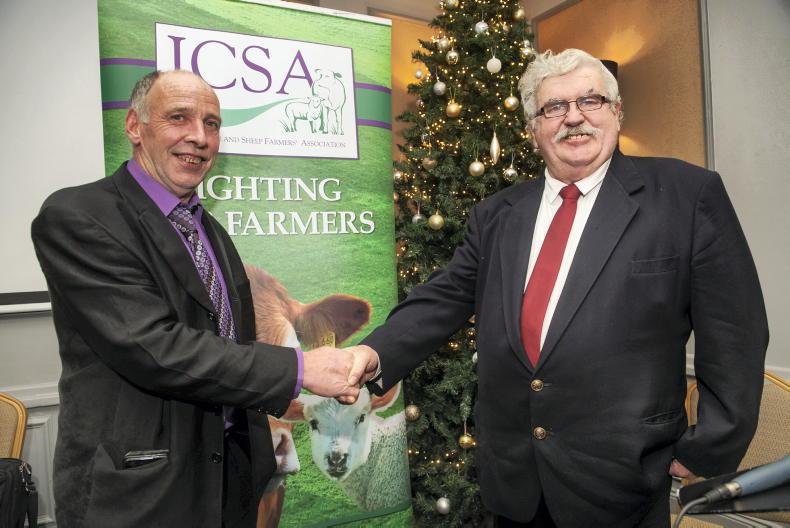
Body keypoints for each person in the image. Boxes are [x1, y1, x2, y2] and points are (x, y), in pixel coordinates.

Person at [347, 49, 768, 527]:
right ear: (533, 131)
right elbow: (445, 297)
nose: (574, 117)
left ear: (616, 111)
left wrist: (708, 447)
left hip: (623, 479)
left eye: (591, 100)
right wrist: (374, 354)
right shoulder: (496, 215)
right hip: (515, 481)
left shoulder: (685, 195)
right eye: (555, 107)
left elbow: (735, 332)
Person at [32, 70, 363, 527]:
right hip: (142, 491)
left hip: (230, 479)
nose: (199, 137)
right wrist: (301, 369)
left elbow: (233, 340)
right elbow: (153, 347)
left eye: (211, 124)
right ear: (135, 126)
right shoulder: (81, 217)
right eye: (178, 118)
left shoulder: (210, 230)